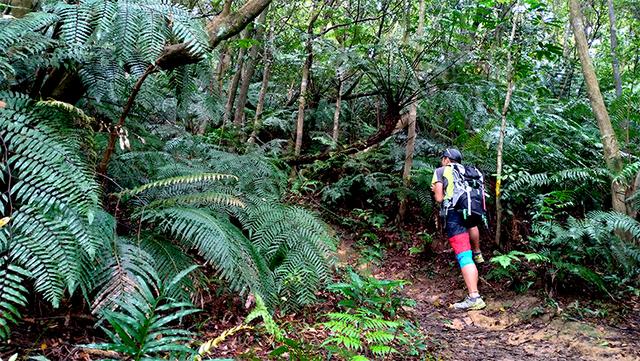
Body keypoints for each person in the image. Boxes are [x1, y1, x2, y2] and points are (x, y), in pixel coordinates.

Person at [431, 148, 486, 310]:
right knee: (471, 238)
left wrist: (435, 190)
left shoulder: (441, 171)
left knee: (464, 257)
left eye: (443, 158)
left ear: (446, 159)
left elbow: (439, 198)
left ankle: (474, 297)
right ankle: (478, 252)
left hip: (453, 215)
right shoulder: (468, 171)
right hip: (470, 212)